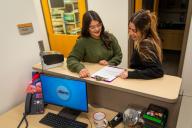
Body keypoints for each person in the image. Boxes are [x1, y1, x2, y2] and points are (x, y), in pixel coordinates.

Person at [67, 10, 122, 78]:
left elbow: (118, 55)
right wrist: (80, 69)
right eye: (92, 27)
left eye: (99, 25)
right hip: (92, 76)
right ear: (87, 28)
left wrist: (109, 63)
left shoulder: (110, 37)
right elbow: (71, 59)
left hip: (110, 74)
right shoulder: (82, 41)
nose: (97, 29)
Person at [120, 10, 164, 79]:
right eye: (129, 28)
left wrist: (130, 74)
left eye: (134, 30)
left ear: (143, 30)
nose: (130, 33)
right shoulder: (142, 39)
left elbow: (158, 71)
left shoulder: (145, 44)